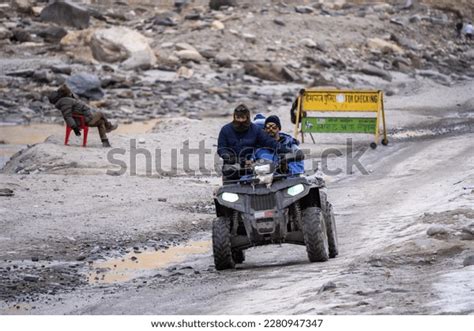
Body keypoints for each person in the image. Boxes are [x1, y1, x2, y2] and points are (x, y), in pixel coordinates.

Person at [217, 104, 289, 179]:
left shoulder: (256, 130)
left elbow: (269, 142)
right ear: (234, 117)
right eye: (238, 118)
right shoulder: (225, 130)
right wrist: (240, 161)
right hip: (232, 167)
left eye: (243, 118)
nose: (240, 120)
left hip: (253, 167)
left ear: (247, 117)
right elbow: (221, 150)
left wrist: (287, 151)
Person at [48, 85, 117, 147]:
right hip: (84, 120)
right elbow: (67, 116)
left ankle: (105, 142)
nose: (70, 91)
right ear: (66, 93)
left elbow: (73, 110)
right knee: (100, 113)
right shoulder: (66, 101)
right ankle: (109, 127)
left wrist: (72, 96)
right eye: (69, 91)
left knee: (101, 122)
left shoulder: (67, 100)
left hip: (84, 119)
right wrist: (75, 128)